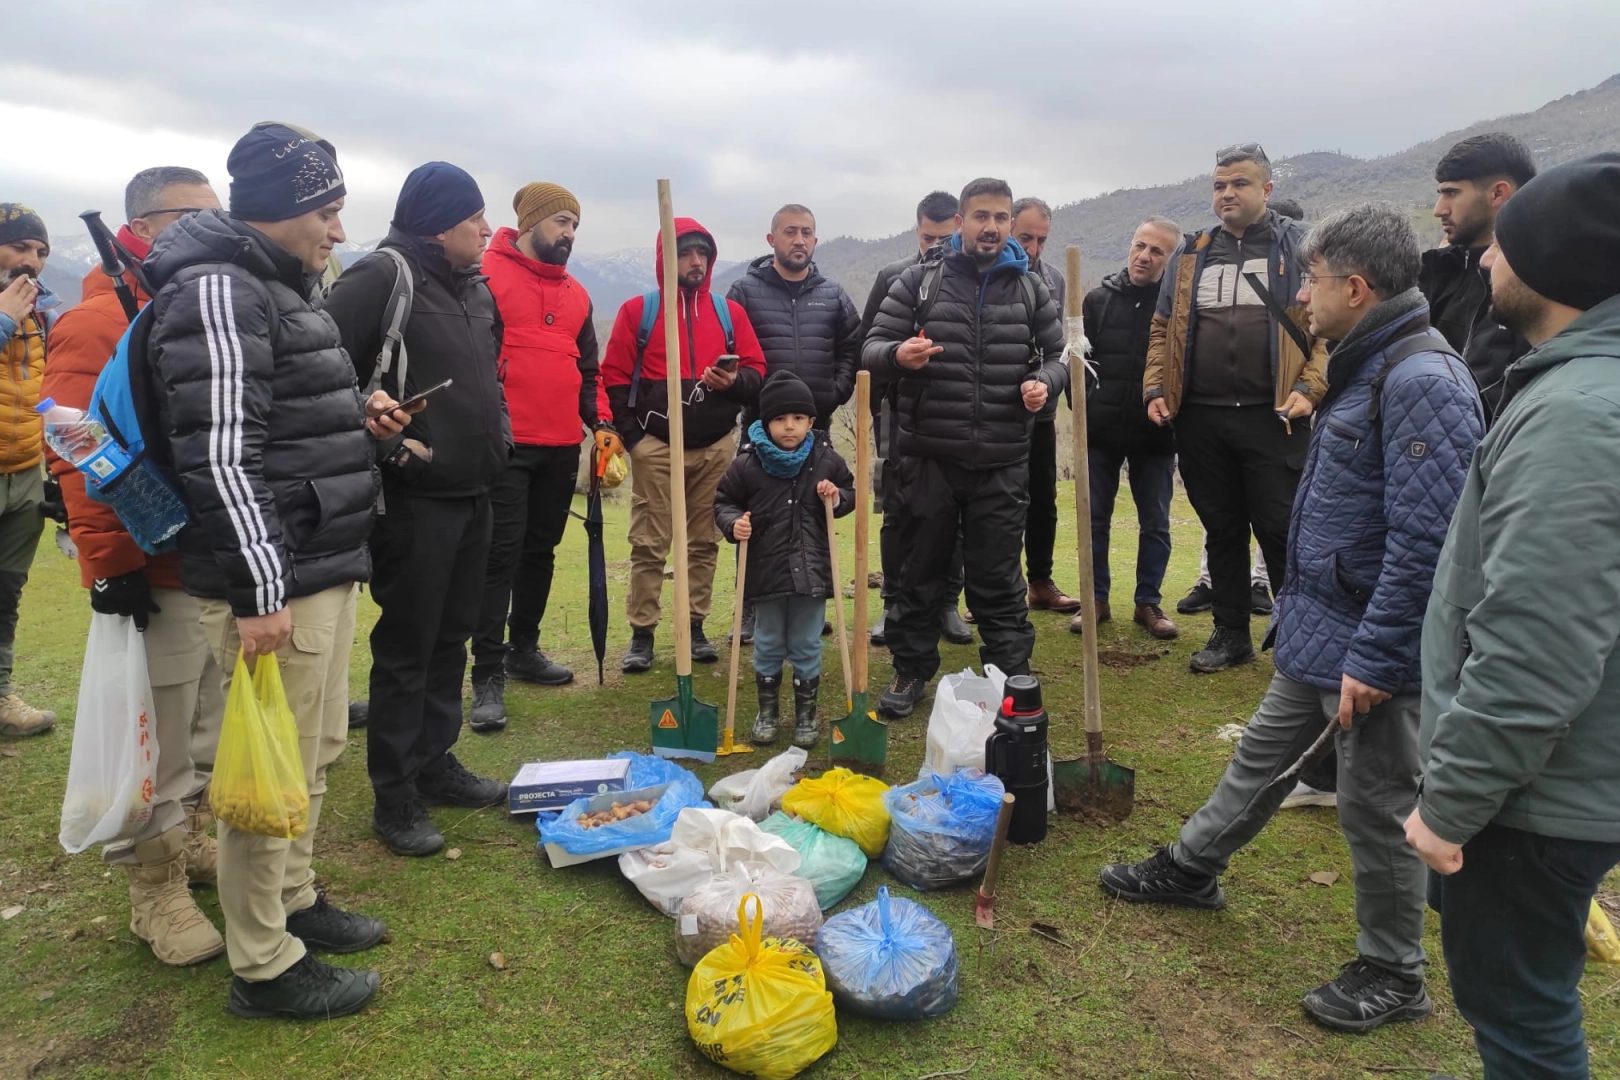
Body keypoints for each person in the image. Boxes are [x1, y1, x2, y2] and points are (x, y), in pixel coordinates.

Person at [1106, 202, 1483, 1032]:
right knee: (1260, 763)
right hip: (1320, 628)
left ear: (1355, 285)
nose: (1302, 295)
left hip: (1370, 645)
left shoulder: (1421, 381)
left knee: (1377, 807)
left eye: (1311, 280)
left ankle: (1393, 970)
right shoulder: (1364, 361)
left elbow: (1430, 546)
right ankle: (1191, 868)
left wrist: (1381, 660)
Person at [144, 123, 415, 1019]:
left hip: (319, 562)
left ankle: (295, 900)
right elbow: (221, 456)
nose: (339, 230)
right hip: (279, 579)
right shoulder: (220, 292)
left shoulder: (278, 287)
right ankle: (262, 961)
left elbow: (285, 413)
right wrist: (261, 593)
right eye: (329, 210)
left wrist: (356, 411)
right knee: (269, 772)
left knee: (314, 750)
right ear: (284, 208)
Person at [1406, 153, 1620, 1080]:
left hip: (1538, 796)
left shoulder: (1577, 416)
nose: (1485, 263)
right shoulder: (1579, 388)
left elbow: (1537, 647)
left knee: (1521, 1014)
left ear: (1554, 264)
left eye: (1503, 247)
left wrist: (1449, 808)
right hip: (1567, 775)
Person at [41, 167, 227, 965]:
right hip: (154, 568)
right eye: (200, 217)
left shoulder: (193, 308)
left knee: (210, 724)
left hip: (216, 564)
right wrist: (112, 567)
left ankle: (189, 839)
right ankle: (154, 893)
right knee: (161, 739)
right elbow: (81, 450)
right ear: (148, 225)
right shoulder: (92, 324)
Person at [323, 162, 511, 858]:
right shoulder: (382, 277)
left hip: (474, 493)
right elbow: (323, 371)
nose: (486, 230)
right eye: (474, 220)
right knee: (408, 643)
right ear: (439, 223)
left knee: (451, 637)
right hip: (412, 500)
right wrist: (394, 446)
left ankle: (436, 763)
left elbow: (488, 376)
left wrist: (501, 435)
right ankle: (394, 793)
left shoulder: (474, 288)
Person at [863, 177, 1067, 717]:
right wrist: (898, 354)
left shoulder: (1032, 287)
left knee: (999, 578)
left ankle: (1012, 677)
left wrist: (1046, 382)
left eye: (1001, 218)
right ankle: (909, 672)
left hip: (1002, 459)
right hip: (927, 456)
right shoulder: (917, 282)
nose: (992, 227)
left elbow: (1059, 355)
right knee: (917, 573)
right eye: (981, 217)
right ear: (960, 222)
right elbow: (870, 349)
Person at [1144, 143, 1328, 674]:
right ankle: (1230, 635)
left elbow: (1328, 332)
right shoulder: (1191, 252)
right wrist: (1156, 389)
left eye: (1240, 184)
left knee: (1279, 527)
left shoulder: (1302, 248)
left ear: (1266, 190)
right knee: (1221, 526)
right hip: (1200, 416)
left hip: (1276, 416)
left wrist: (1310, 390)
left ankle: (1298, 635)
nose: (1227, 193)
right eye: (1220, 184)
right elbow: (1162, 328)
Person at [468, 182, 615, 730]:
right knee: (498, 555)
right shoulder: (486, 276)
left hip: (559, 446)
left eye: (575, 225)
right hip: (504, 443)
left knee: (541, 550)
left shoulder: (578, 294)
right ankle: (485, 672)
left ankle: (522, 648)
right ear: (530, 224)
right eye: (560, 223)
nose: (569, 234)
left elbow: (589, 373)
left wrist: (600, 423)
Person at [601, 218, 766, 673]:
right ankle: (643, 633)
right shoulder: (641, 311)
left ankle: (693, 627)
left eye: (703, 255)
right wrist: (635, 442)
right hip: (655, 447)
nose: (696, 262)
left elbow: (756, 374)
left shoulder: (728, 313)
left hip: (714, 448)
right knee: (649, 542)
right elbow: (613, 377)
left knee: (703, 541)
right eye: (686, 253)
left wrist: (732, 382)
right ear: (666, 259)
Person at [726, 203, 860, 643]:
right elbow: (732, 352)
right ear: (772, 240)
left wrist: (835, 391)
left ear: (815, 241)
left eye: (806, 232)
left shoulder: (833, 294)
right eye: (789, 232)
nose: (798, 239)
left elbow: (852, 348)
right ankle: (752, 609)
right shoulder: (744, 292)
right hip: (760, 430)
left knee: (812, 517)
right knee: (757, 517)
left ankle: (808, 600)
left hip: (816, 431)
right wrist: (756, 398)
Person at [714, 371, 854, 747]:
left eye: (797, 418)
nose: (788, 426)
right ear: (765, 423)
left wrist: (836, 496)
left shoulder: (826, 459)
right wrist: (733, 524)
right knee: (769, 642)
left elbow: (850, 491)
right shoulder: (747, 463)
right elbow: (724, 502)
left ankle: (806, 716)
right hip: (765, 572)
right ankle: (768, 712)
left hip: (812, 573)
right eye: (779, 419)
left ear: (811, 422)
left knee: (807, 643)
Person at [858, 191, 972, 649]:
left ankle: (946, 603)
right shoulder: (894, 277)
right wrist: (881, 408)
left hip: (952, 421)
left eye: (946, 238)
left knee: (954, 514)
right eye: (929, 238)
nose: (937, 247)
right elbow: (866, 348)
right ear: (917, 229)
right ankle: (892, 602)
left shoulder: (969, 280)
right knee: (895, 512)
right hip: (894, 418)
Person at [1079, 217, 1180, 641]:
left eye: (1157, 251)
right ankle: (1095, 600)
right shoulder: (1097, 300)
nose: (1145, 256)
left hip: (1155, 435)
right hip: (1100, 432)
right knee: (1094, 519)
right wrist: (1084, 404)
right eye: (1141, 245)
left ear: (1170, 260)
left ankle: (1147, 602)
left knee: (1155, 521)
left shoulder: (1177, 307)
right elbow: (1079, 362)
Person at [1419, 132, 1537, 425]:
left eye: (1452, 193)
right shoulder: (1439, 272)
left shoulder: (1539, 287)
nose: (1439, 210)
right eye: (1440, 194)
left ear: (1498, 193)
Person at [0, 204, 58, 737]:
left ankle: (0, 697)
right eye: (19, 246)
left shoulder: (43, 316)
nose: (31, 261)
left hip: (22, 470)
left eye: (39, 251)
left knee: (6, 590)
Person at [1011, 197, 1082, 616]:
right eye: (1025, 238)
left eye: (1041, 240)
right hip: (998, 414)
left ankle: (1040, 582)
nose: (1033, 249)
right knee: (1000, 501)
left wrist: (1051, 386)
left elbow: (1063, 347)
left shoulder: (1055, 280)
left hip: (1041, 409)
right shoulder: (995, 276)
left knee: (1042, 498)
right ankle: (998, 585)